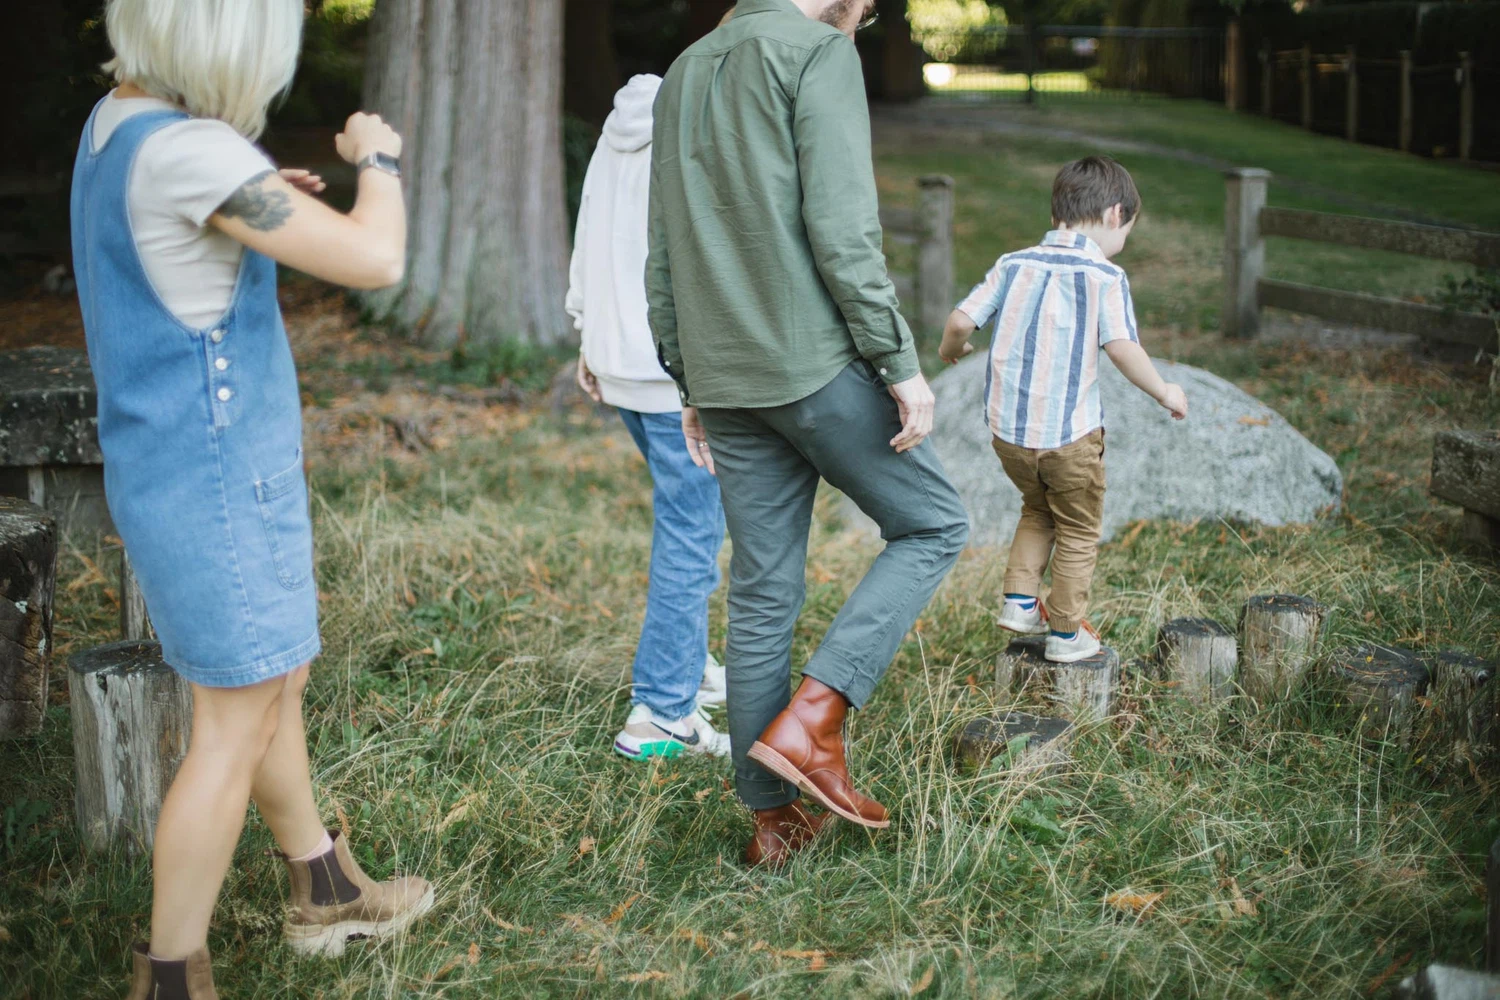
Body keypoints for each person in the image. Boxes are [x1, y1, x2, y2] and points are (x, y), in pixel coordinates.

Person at [72, 2, 432, 996]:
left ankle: (325, 886)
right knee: (231, 724)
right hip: (222, 483)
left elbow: (171, 234)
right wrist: (378, 160)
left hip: (168, 469)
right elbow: (378, 260)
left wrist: (264, 198)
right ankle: (170, 978)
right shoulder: (194, 153)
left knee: (275, 683)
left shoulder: (118, 122)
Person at [647, 0, 969, 868]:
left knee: (761, 594)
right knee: (935, 522)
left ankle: (774, 825)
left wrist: (688, 376)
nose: (864, 16)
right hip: (813, 365)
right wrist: (899, 363)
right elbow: (843, 230)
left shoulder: (683, 70)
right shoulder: (817, 54)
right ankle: (816, 720)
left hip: (724, 375)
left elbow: (663, 246)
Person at [938, 156, 1188, 663]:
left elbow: (961, 321)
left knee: (1037, 509)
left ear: (1058, 213)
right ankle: (1067, 633)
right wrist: (1165, 391)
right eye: (1127, 230)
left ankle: (1019, 602)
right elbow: (1122, 347)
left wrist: (951, 349)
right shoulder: (1105, 275)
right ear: (1116, 214)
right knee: (1077, 528)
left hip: (1009, 436)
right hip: (1070, 438)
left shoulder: (1013, 264)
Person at [565, 74, 731, 761]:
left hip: (620, 360)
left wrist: (585, 328)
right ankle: (662, 713)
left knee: (694, 523)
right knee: (691, 534)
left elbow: (589, 224)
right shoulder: (697, 123)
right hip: (672, 375)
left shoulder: (619, 125)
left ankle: (688, 663)